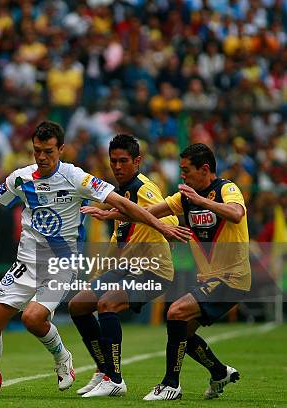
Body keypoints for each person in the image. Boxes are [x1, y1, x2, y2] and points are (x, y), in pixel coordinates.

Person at [0, 121, 190, 391]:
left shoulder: (76, 177)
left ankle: (63, 359)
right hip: (26, 263)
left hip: (61, 265)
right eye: (37, 151)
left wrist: (161, 226)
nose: (42, 157)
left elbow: (122, 203)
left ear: (61, 150)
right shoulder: (21, 178)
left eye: (48, 151)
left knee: (32, 319)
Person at [83, 143, 250, 400]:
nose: (182, 176)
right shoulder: (184, 197)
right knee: (183, 329)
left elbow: (237, 214)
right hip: (209, 278)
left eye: (186, 171)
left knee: (176, 312)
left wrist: (201, 200)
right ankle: (218, 372)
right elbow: (148, 213)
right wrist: (109, 214)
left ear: (204, 169)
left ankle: (171, 384)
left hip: (232, 277)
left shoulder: (226, 189)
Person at [68, 134, 179, 397]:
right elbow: (118, 242)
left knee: (107, 303)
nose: (117, 166)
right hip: (125, 270)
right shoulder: (119, 193)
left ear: (137, 161)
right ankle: (103, 368)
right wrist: (96, 276)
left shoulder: (143, 188)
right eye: (113, 161)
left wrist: (166, 232)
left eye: (123, 161)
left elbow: (170, 218)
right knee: (78, 305)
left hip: (153, 270)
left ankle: (114, 379)